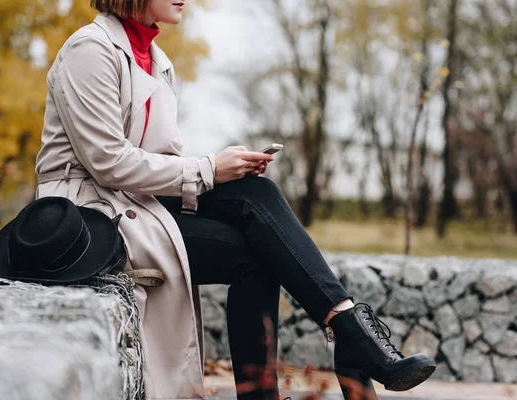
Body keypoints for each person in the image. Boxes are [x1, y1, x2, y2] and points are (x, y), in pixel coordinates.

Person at [34, 1, 436, 399]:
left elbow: (155, 161)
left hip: (137, 204)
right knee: (257, 254)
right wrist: (209, 169)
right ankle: (346, 343)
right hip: (90, 217)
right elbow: (107, 162)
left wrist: (226, 169)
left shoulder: (156, 60)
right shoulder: (89, 51)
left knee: (256, 193)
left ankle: (344, 323)